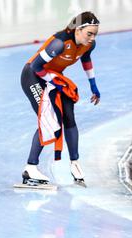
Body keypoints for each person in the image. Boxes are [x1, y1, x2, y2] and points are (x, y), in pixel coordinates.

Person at [20, 12, 101, 187]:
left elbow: (86, 60)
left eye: (95, 34)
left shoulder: (89, 44)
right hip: (33, 76)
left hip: (54, 77)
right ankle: (30, 167)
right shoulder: (60, 43)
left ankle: (75, 164)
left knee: (69, 115)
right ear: (78, 30)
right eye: (89, 33)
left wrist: (93, 85)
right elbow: (36, 66)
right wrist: (54, 82)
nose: (92, 38)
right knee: (50, 118)